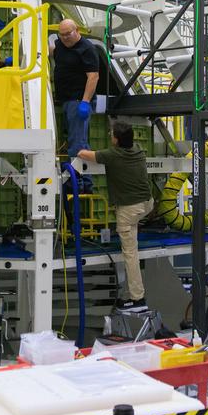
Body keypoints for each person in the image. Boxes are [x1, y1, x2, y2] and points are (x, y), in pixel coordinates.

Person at [78, 121, 154, 311]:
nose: (110, 135)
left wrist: (79, 147)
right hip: (146, 204)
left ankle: (138, 299)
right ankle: (134, 294)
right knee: (132, 237)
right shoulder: (137, 150)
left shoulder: (113, 155)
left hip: (130, 209)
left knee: (130, 254)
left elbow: (83, 155)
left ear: (117, 140)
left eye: (112, 134)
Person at [51, 19, 100, 192]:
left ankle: (80, 182)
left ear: (76, 30)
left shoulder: (87, 49)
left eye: (67, 34)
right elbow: (52, 51)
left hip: (78, 100)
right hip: (65, 100)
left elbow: (93, 76)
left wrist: (85, 102)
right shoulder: (61, 45)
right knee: (78, 142)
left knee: (77, 144)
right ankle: (84, 181)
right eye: (61, 34)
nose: (64, 38)